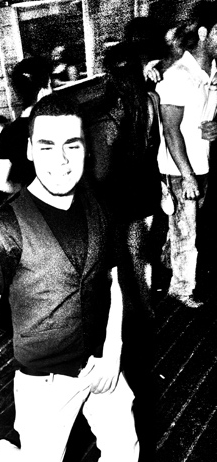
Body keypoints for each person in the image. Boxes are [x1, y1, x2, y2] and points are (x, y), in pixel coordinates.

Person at [0, 94, 140, 462]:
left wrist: (113, 351)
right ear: (28, 149)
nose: (60, 161)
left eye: (72, 146)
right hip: (46, 378)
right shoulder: (1, 227)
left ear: (86, 148)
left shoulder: (96, 203)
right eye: (46, 146)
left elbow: (113, 279)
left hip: (101, 361)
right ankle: (1, 454)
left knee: (124, 458)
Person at [88, 41, 162, 317]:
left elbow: (101, 173)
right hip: (147, 188)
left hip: (120, 199)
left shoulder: (107, 119)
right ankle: (146, 304)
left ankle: (138, 310)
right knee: (141, 254)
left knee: (126, 259)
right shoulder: (151, 100)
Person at [156, 1, 217, 308]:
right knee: (186, 231)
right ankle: (180, 289)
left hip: (201, 161)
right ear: (204, 33)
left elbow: (203, 119)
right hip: (181, 169)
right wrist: (187, 175)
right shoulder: (178, 75)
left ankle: (169, 264)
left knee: (184, 227)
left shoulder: (211, 72)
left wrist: (213, 128)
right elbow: (170, 130)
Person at [0, 56, 52, 194]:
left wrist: (27, 192)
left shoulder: (7, 134)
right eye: (50, 85)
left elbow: (1, 184)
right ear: (42, 92)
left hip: (36, 201)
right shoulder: (55, 123)